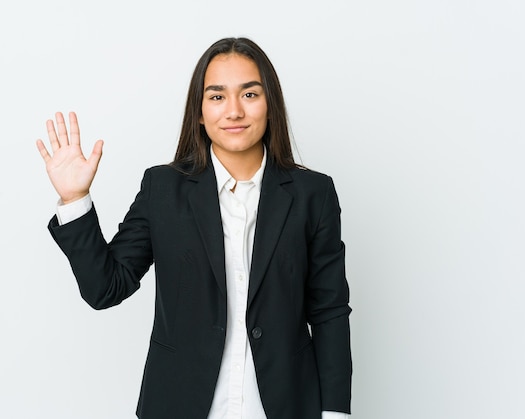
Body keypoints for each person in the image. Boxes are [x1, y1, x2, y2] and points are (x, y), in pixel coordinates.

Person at [37, 37, 352, 419]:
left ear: (271, 105)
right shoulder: (163, 189)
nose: (234, 111)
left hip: (285, 406)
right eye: (217, 97)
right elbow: (105, 288)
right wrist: (75, 200)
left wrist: (335, 412)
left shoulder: (312, 194)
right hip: (179, 405)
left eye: (249, 94)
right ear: (200, 112)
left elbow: (329, 311)